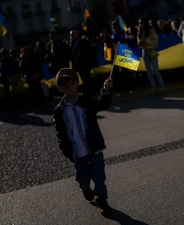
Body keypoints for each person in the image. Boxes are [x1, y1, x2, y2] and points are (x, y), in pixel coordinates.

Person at [52, 68, 113, 216]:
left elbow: (101, 104)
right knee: (83, 177)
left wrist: (106, 91)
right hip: (77, 153)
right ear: (59, 88)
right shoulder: (59, 111)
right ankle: (85, 188)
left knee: (99, 176)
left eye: (72, 83)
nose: (69, 87)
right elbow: (60, 133)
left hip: (94, 148)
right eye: (64, 85)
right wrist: (66, 150)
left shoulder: (85, 100)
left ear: (78, 83)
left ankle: (102, 200)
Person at [137, 17, 166, 93]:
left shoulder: (151, 30)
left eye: (142, 23)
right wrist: (140, 43)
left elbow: (155, 41)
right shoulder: (140, 32)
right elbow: (138, 42)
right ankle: (153, 86)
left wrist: (147, 41)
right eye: (139, 23)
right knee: (148, 71)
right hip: (144, 51)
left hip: (152, 50)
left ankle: (162, 85)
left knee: (155, 70)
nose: (141, 24)